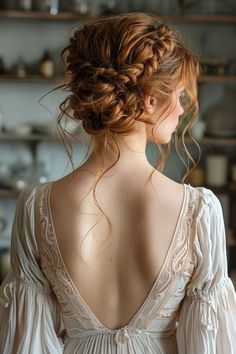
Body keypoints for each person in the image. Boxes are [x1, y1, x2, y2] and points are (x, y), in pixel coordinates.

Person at [0, 12, 236, 354]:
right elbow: (209, 346)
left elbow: (25, 345)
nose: (182, 110)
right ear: (150, 100)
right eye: (180, 96)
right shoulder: (200, 212)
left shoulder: (36, 206)